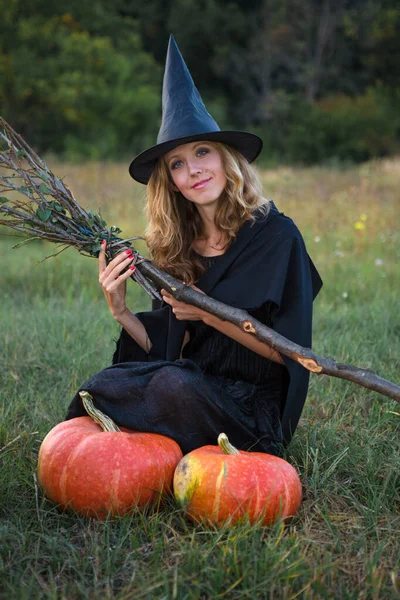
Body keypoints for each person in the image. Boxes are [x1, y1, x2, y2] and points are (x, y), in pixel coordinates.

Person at [66, 35, 322, 456]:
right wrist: (121, 311)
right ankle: (114, 461)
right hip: (190, 386)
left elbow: (291, 358)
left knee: (171, 385)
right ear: (171, 181)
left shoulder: (277, 237)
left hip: (251, 410)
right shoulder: (177, 246)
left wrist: (209, 312)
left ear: (226, 159)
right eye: (178, 164)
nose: (194, 170)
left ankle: (152, 446)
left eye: (203, 152)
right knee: (103, 385)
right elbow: (171, 350)